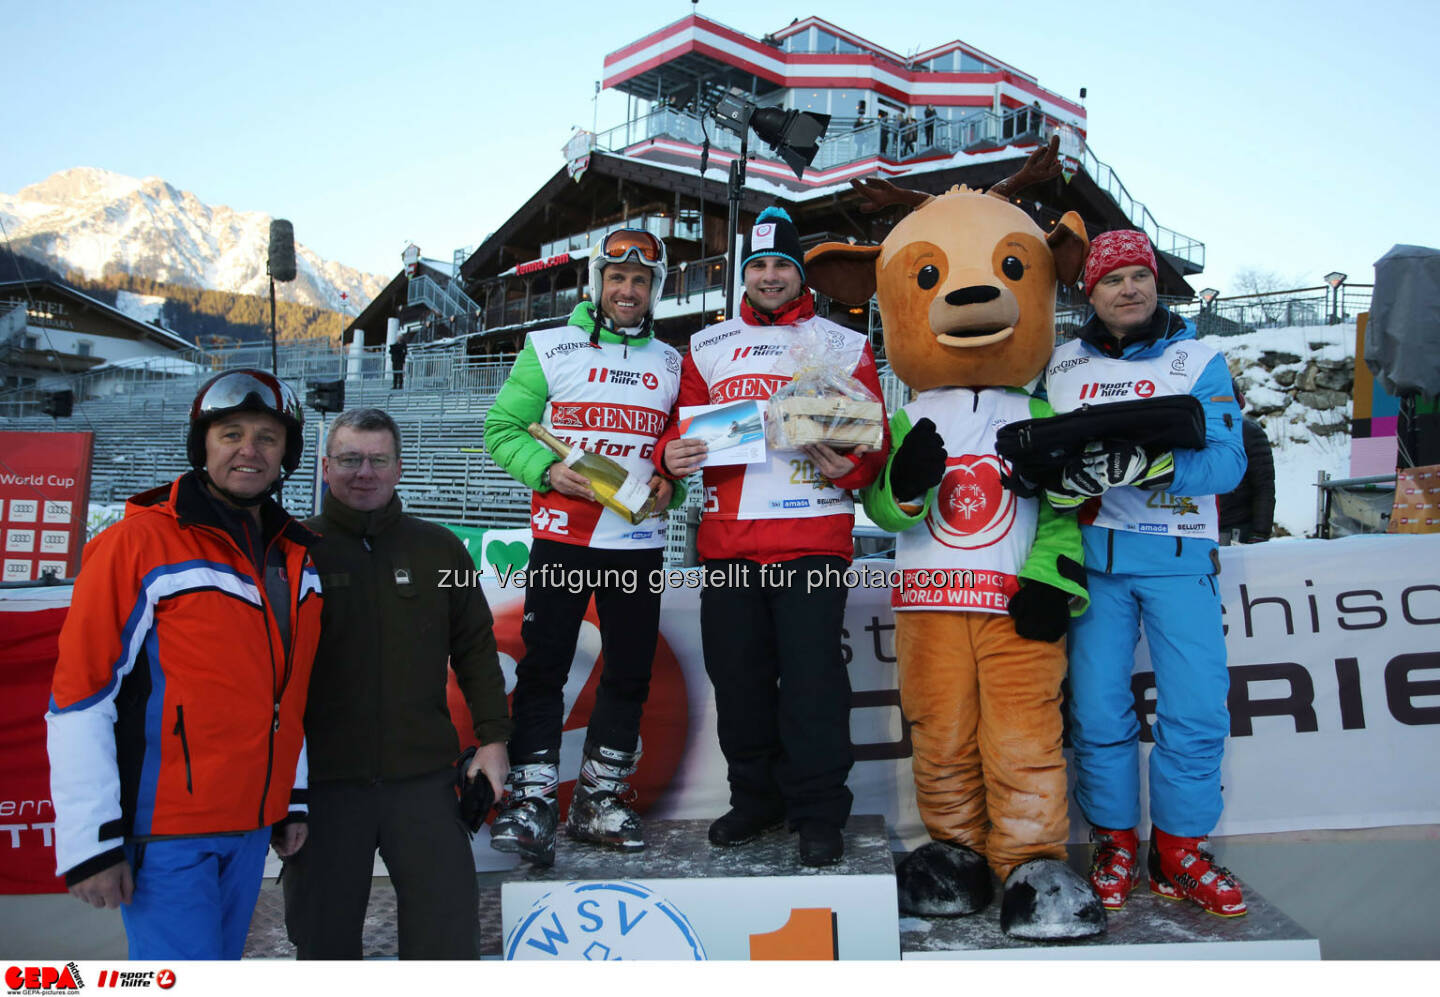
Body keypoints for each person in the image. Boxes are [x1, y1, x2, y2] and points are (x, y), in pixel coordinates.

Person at [46, 368, 322, 959]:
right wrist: (91, 842)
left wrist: (290, 798)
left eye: (267, 438)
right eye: (231, 434)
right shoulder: (138, 544)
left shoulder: (295, 556)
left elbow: (289, 692)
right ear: (203, 447)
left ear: (286, 455)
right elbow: (80, 695)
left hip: (250, 828)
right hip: (167, 831)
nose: (249, 451)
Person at [657, 207, 890, 866]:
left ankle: (817, 810)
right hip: (729, 544)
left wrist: (855, 464)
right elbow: (682, 433)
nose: (768, 276)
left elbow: (874, 439)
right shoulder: (706, 345)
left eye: (780, 264)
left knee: (814, 685)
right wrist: (670, 454)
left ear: (798, 272)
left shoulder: (842, 343)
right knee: (740, 683)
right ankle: (755, 798)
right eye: (757, 265)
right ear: (744, 274)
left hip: (812, 541)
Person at [1042, 230, 1248, 916]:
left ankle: (1180, 851)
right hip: (1097, 563)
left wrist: (1153, 464)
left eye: (1139, 275)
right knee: (1098, 709)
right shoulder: (1063, 364)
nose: (1127, 288)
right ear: (1090, 292)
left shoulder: (1198, 357)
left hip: (1179, 561)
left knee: (1195, 707)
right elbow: (1042, 461)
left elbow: (1227, 464)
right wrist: (1063, 477)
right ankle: (1115, 841)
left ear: (1155, 282)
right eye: (1112, 279)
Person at [483, 227, 684, 866]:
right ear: (596, 283)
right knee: (545, 666)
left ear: (655, 290)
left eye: (641, 281)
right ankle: (533, 797)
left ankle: (600, 798)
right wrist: (544, 472)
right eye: (617, 278)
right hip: (563, 538)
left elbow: (673, 465)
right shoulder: (548, 346)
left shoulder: (673, 364)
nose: (628, 290)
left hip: (637, 542)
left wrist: (669, 486)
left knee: (628, 670)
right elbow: (501, 429)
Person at [281, 407, 511, 959]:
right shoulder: (292, 549)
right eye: (351, 459)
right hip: (327, 789)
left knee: (447, 943)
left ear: (399, 467)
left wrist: (494, 740)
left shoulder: (438, 549)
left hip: (424, 783)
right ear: (325, 465)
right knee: (323, 945)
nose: (365, 472)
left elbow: (477, 647)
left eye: (378, 460)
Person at [1218, 384, 1275, 544]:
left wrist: (1259, 533)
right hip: (1197, 526)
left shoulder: (1249, 433)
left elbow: (1264, 487)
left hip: (1236, 529)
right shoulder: (1195, 430)